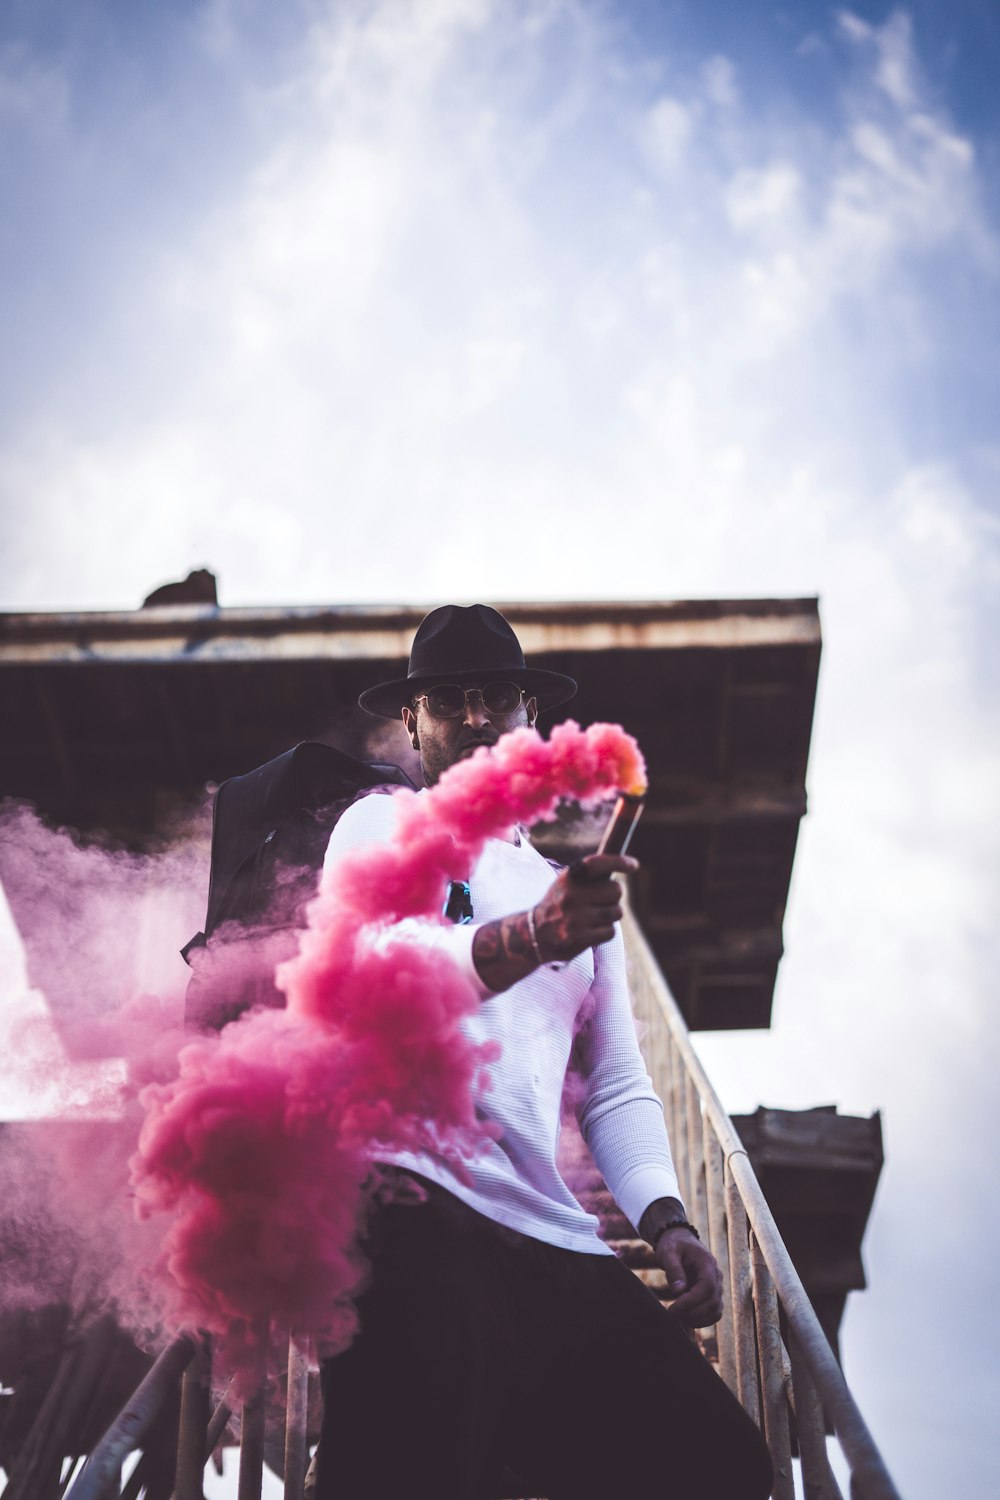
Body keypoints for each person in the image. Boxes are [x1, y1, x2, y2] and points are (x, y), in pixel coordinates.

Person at [314, 605, 773, 1500]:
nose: (478, 717)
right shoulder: (381, 825)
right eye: (451, 699)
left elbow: (615, 1082)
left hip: (550, 1229)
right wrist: (528, 936)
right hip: (411, 1201)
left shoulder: (571, 891)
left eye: (500, 697)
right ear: (413, 721)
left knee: (721, 1467)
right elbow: (371, 977)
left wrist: (667, 1217)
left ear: (529, 714)